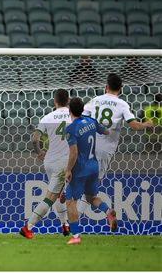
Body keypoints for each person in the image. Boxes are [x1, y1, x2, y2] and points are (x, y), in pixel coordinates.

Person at [79, 74, 154, 214]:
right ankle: (76, 226)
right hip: (105, 150)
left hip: (88, 147)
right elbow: (134, 126)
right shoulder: (122, 104)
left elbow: (80, 117)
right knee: (90, 191)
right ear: (120, 89)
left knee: (81, 184)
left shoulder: (95, 100)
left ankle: (74, 222)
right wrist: (147, 124)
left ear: (106, 87)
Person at [20, 89, 71, 239]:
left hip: (49, 161)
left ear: (55, 101)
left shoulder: (47, 117)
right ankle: (28, 227)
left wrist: (40, 152)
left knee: (58, 192)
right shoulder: (74, 117)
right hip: (65, 162)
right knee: (51, 196)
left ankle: (65, 225)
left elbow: (35, 139)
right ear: (68, 101)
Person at [64, 98, 115, 245]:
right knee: (91, 197)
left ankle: (75, 236)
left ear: (70, 111)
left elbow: (73, 153)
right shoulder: (91, 121)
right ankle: (108, 212)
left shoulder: (71, 129)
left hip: (80, 169)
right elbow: (106, 131)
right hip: (94, 167)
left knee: (70, 201)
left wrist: (68, 170)